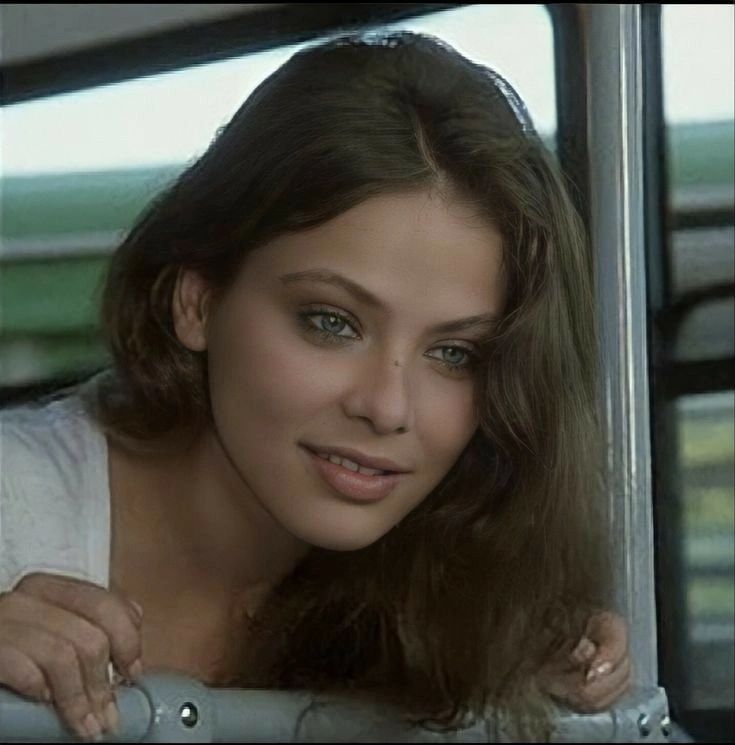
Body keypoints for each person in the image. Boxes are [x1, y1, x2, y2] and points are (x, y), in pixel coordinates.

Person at [0, 31, 632, 742]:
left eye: (454, 353)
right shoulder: (14, 507)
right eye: (331, 321)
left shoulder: (448, 594)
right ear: (197, 301)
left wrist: (509, 673)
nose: (387, 406)